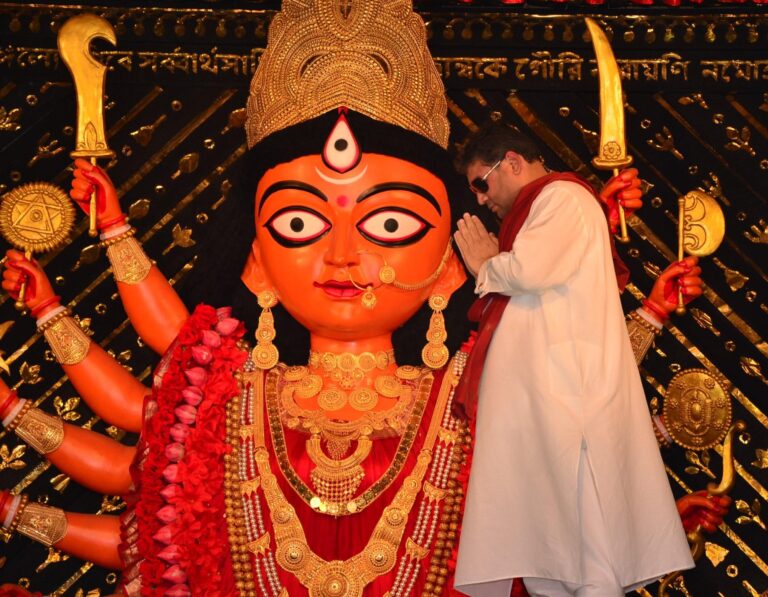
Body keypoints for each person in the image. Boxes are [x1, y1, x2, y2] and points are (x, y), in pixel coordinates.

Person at [0, 3, 727, 596]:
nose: (345, 255)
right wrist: (21, 503)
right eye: (298, 222)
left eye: (388, 223)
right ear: (256, 259)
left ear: (450, 257)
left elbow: (581, 412)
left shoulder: (477, 395)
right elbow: (136, 493)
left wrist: (656, 446)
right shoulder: (216, 401)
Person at [451, 122, 721, 597]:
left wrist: (485, 264)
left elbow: (529, 271)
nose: (479, 200)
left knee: (587, 563)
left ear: (511, 162)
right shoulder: (546, 209)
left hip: (566, 411)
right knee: (548, 562)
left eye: (481, 183)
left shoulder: (563, 198)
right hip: (544, 413)